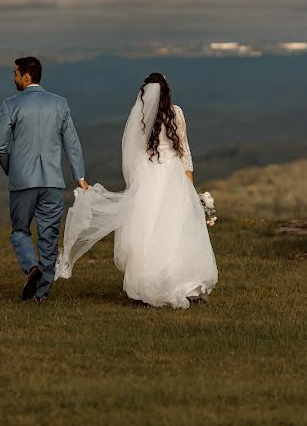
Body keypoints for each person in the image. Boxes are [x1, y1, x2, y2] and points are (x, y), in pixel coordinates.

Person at [55, 72, 218, 309]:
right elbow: (184, 150)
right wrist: (188, 182)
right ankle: (184, 282)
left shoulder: (140, 116)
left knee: (148, 229)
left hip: (148, 175)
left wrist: (134, 182)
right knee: (175, 227)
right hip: (173, 174)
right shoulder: (176, 113)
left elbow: (132, 154)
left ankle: (149, 282)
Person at [0, 57, 88, 303]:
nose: (12, 77)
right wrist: (80, 176)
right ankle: (41, 294)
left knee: (20, 231)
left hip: (22, 180)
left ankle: (30, 268)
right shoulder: (60, 104)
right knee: (48, 237)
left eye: (15, 73)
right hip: (53, 182)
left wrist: (11, 169)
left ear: (26, 77)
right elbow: (72, 143)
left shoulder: (10, 104)